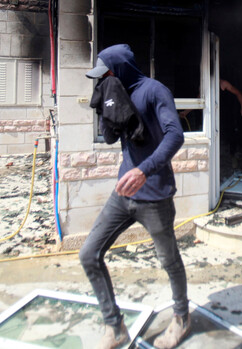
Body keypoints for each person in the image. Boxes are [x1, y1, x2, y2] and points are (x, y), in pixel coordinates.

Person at [80, 44, 190, 349]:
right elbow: (111, 137)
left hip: (155, 196)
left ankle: (182, 316)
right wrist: (105, 111)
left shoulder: (155, 91)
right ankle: (115, 327)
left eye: (106, 74)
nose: (101, 80)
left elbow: (175, 135)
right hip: (123, 195)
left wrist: (144, 170)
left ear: (121, 68)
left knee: (169, 261)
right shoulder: (114, 92)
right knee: (88, 254)